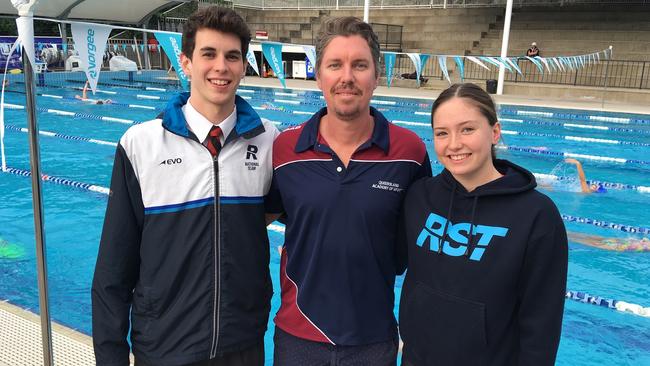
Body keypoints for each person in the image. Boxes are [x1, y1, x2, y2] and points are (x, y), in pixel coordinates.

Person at [92, 6, 278, 366]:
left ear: (243, 65)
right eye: (208, 54)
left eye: (232, 56)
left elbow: (270, 218)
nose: (221, 67)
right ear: (186, 62)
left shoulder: (268, 141)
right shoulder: (141, 145)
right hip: (164, 347)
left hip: (242, 345)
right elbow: (113, 270)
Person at [266, 16, 432, 366]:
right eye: (335, 65)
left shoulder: (410, 152)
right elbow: (255, 222)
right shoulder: (285, 149)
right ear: (318, 75)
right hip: (298, 336)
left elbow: (422, 248)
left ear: (376, 74)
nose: (347, 77)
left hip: (373, 338)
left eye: (359, 65)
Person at [398, 83, 568, 366]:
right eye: (442, 133)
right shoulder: (419, 197)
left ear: (495, 132)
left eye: (467, 129)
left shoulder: (536, 215)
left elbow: (541, 324)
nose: (454, 144)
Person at [567, 231, 649, 252]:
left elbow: (644, 240)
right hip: (619, 247)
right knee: (592, 242)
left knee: (593, 239)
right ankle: (567, 236)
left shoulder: (646, 242)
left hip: (624, 242)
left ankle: (567, 233)